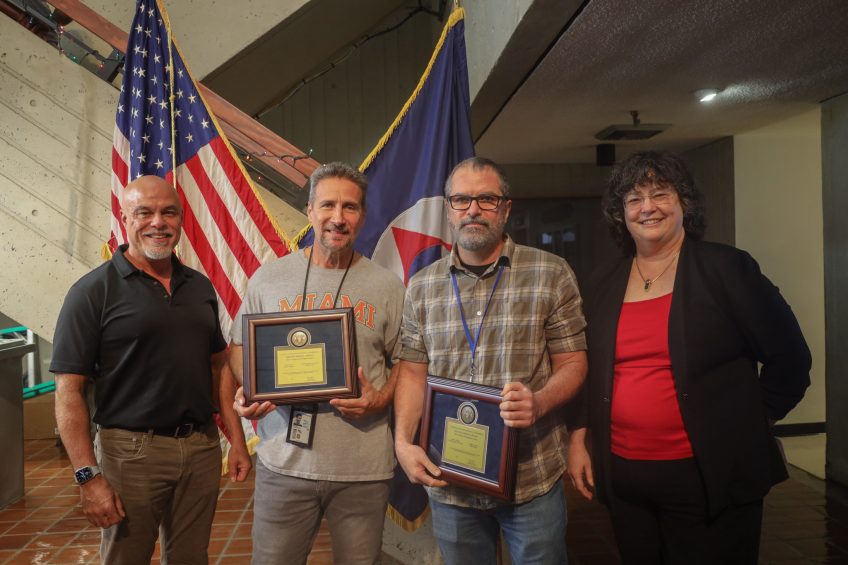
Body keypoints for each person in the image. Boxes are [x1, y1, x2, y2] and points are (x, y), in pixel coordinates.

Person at [566, 150, 811, 564]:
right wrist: (578, 440)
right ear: (620, 212)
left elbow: (790, 360)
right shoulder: (603, 280)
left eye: (660, 194)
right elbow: (591, 371)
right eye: (634, 199)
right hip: (626, 477)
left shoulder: (727, 269)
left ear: (684, 203)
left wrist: (749, 422)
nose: (647, 208)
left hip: (708, 475)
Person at [394, 157, 588, 564]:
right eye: (461, 200)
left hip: (531, 476)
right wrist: (402, 442)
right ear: (448, 209)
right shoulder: (422, 286)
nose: (473, 210)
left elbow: (574, 363)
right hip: (451, 480)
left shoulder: (551, 273)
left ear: (506, 208)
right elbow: (412, 372)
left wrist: (540, 402)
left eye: (486, 199)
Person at [227, 162, 405, 565]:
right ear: (309, 211)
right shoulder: (268, 279)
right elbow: (239, 348)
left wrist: (382, 397)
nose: (337, 218)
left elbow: (409, 363)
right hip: (284, 464)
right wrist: (251, 388)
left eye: (350, 207)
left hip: (362, 469)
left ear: (363, 215)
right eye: (327, 205)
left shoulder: (387, 286)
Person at [50, 175, 231, 564]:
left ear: (182, 219)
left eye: (169, 212)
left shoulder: (199, 287)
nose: (158, 222)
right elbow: (68, 392)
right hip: (130, 454)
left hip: (201, 448)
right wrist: (87, 476)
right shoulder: (92, 292)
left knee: (191, 558)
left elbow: (217, 365)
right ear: (124, 217)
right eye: (144, 212)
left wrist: (233, 433)